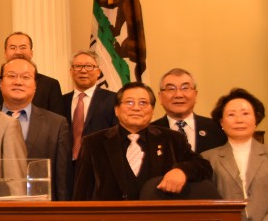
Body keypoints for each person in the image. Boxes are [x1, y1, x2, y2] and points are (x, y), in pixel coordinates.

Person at [73, 82, 213, 201]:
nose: (136, 108)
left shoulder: (172, 139)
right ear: (116, 109)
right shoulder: (93, 143)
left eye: (143, 103)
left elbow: (203, 166)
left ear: (152, 110)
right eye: (129, 102)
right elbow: (81, 193)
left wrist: (182, 171)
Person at [202, 88, 268, 221]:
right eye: (231, 115)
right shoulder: (207, 158)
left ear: (256, 119)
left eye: (245, 114)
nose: (239, 120)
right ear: (222, 123)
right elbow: (206, 202)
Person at [0, 56, 71, 200]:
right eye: (11, 76)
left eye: (25, 77)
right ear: (0, 83)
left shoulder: (56, 124)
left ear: (35, 85)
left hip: (41, 209)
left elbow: (63, 180)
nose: (18, 82)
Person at [61, 50, 118, 163]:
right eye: (78, 66)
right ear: (71, 71)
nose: (83, 70)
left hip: (99, 165)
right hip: (67, 166)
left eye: (89, 66)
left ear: (98, 72)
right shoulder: (61, 101)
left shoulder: (113, 99)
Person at [152, 68, 227, 154]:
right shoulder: (150, 132)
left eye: (185, 88)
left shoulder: (217, 129)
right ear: (160, 97)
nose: (178, 95)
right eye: (171, 89)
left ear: (195, 95)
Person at [0, 32, 62, 112]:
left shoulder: (50, 85)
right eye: (12, 48)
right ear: (5, 53)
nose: (18, 52)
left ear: (31, 53)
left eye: (23, 47)